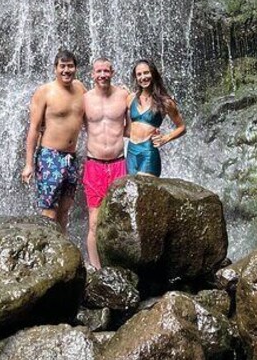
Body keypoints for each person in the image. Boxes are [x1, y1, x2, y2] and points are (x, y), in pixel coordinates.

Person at [21, 50, 86, 233]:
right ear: (55, 68)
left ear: (76, 68)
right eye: (62, 66)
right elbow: (33, 128)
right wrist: (28, 164)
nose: (66, 70)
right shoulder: (44, 92)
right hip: (50, 156)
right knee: (49, 210)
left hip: (71, 158)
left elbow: (97, 108)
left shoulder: (81, 88)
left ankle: (62, 250)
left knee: (65, 210)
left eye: (70, 66)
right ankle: (47, 253)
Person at [82, 57, 130, 269]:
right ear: (92, 74)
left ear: (113, 72)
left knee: (122, 218)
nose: (102, 75)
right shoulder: (84, 99)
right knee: (94, 221)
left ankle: (120, 264)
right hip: (94, 165)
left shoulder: (124, 96)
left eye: (106, 71)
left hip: (120, 163)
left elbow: (135, 123)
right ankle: (97, 270)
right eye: (98, 71)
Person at [126, 59, 186, 176]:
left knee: (146, 192)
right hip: (131, 151)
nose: (143, 77)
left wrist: (166, 138)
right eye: (139, 74)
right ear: (136, 78)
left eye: (146, 73)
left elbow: (182, 127)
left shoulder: (165, 102)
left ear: (153, 73)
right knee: (132, 192)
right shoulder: (130, 98)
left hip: (148, 151)